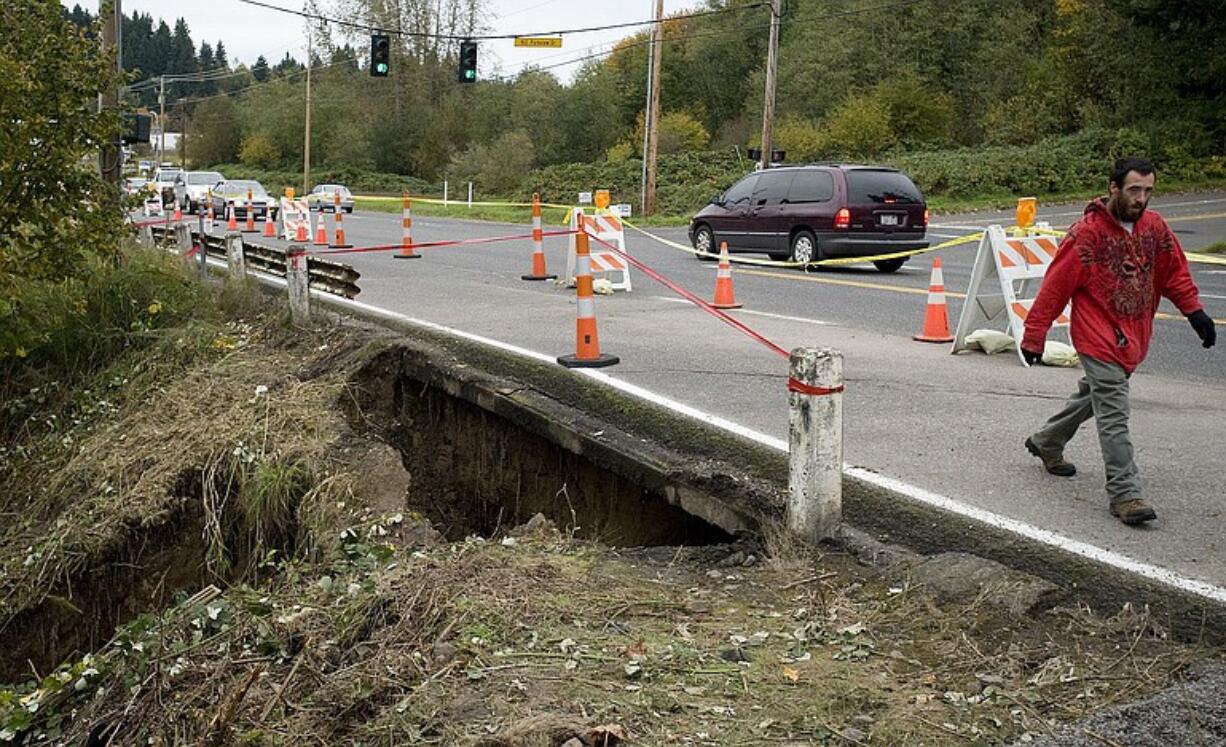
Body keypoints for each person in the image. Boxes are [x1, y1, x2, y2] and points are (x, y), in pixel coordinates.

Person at [1020, 156, 1216, 526]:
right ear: (1113, 188)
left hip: (1133, 334)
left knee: (1093, 395)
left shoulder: (1154, 228)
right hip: (1097, 336)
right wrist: (1035, 337)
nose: (1141, 198)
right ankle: (1125, 494)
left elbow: (1173, 272)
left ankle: (1047, 440)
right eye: (1133, 190)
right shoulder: (1087, 234)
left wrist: (1195, 313)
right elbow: (1055, 287)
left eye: (1148, 191)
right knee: (1114, 412)